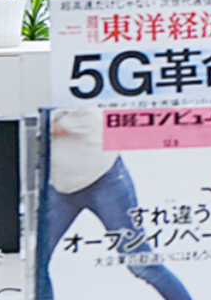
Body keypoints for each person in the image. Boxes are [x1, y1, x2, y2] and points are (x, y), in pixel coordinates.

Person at [38, 108, 192, 300]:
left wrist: (36, 125)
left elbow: (68, 124)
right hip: (60, 185)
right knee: (37, 261)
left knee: (139, 262)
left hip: (105, 178)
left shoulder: (74, 96)